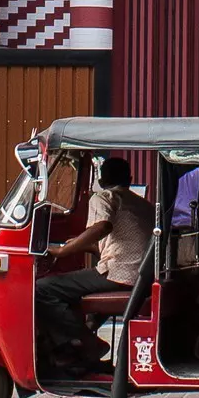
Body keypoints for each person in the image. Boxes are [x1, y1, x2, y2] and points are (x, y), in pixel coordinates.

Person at [35, 156, 153, 375]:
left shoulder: (104, 197)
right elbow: (122, 243)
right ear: (130, 179)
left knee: (42, 289)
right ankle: (78, 347)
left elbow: (102, 226)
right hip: (141, 275)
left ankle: (87, 343)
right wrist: (82, 246)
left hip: (120, 274)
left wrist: (61, 251)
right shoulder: (142, 204)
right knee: (71, 287)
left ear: (101, 178)